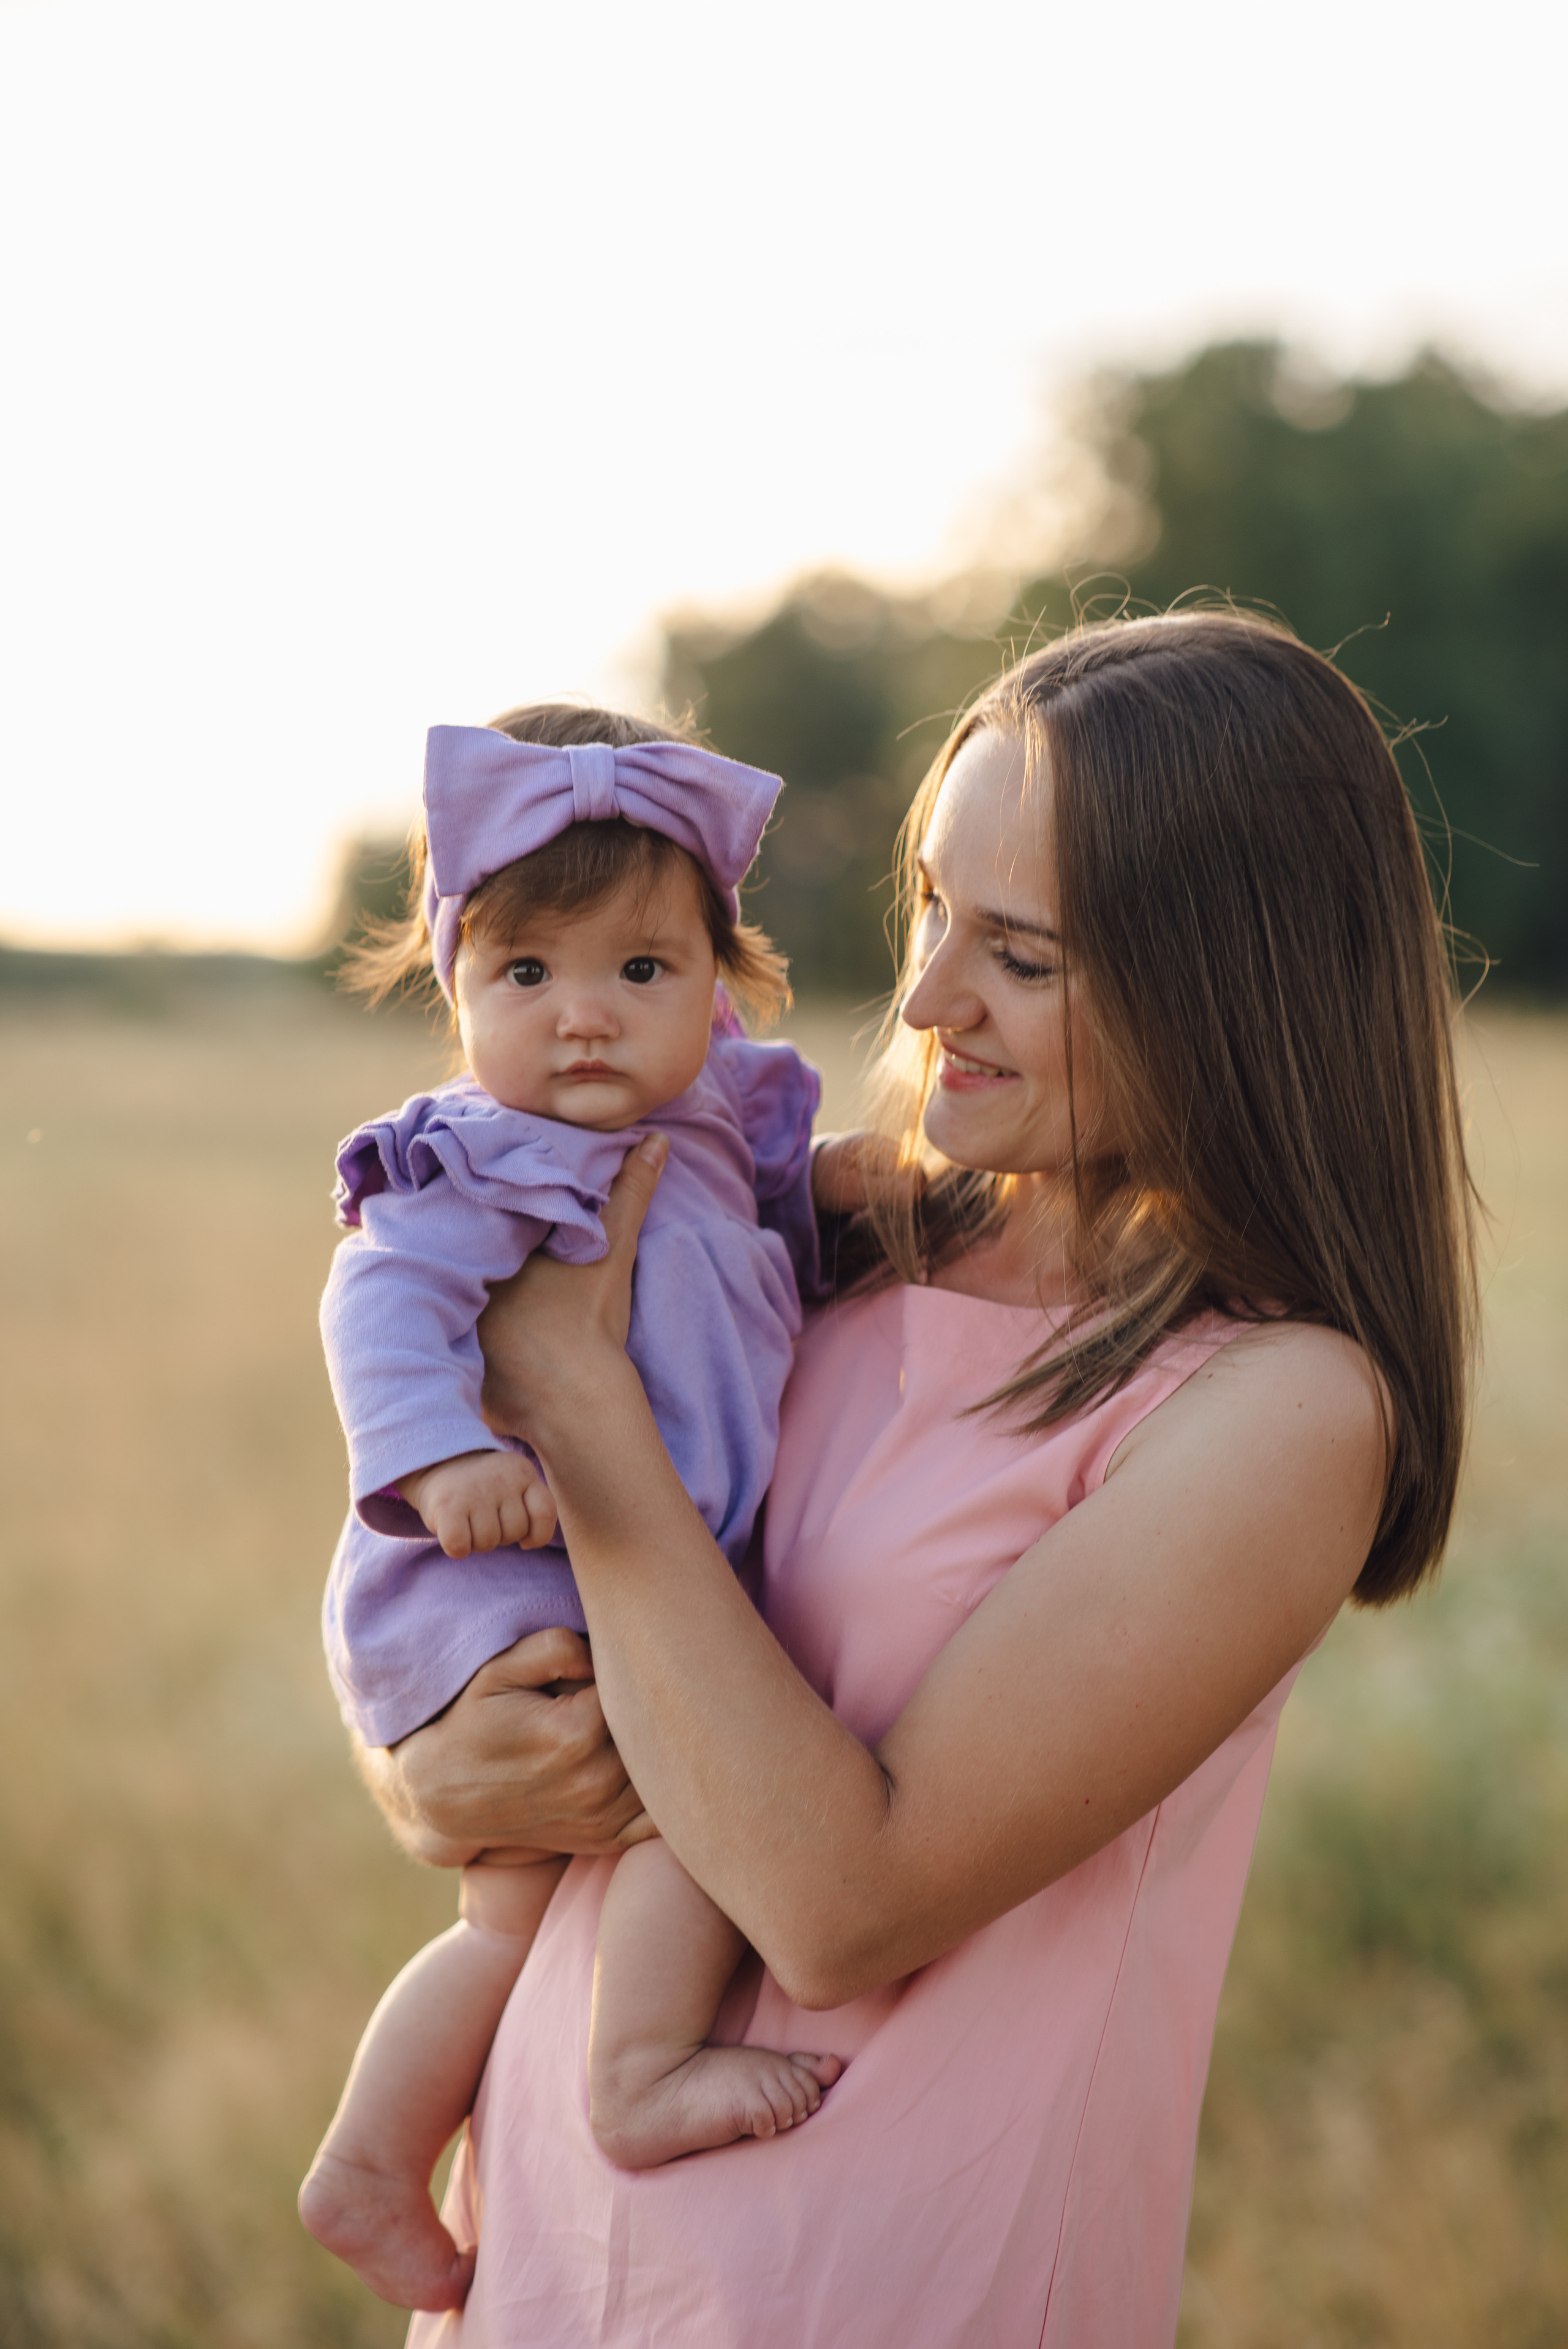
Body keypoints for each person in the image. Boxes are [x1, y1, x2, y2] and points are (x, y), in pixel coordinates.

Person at [363, 613, 1477, 2347]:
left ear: (1229, 987)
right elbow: (456, 1523)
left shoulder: (1278, 1409)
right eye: (937, 909)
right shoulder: (829, 1229)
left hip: (873, 2281)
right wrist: (423, 1758)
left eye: (1022, 954)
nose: (933, 995)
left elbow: (837, 1905)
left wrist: (584, 1410)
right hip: (543, 2263)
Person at [299, 706, 847, 2316]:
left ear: (722, 983)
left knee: (507, 1910)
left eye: (640, 970)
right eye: (525, 974)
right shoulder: (484, 1157)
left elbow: (779, 1228)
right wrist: (441, 1461)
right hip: (497, 1573)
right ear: (454, 983)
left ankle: (371, 2156)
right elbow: (378, 1310)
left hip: (598, 1562)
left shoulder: (717, 1132)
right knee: (695, 1782)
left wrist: (851, 1192)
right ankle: (642, 2062)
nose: (583, 1019)